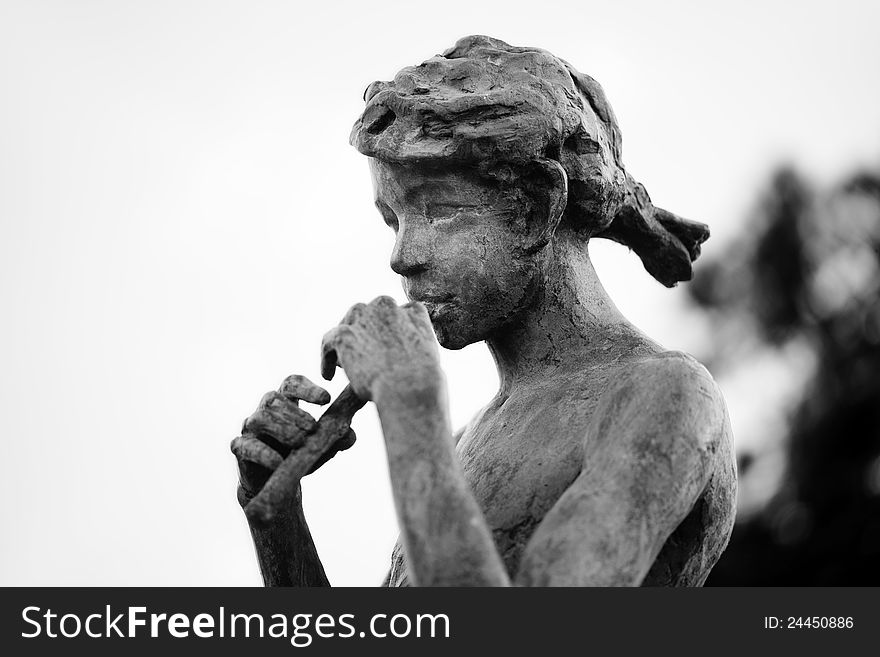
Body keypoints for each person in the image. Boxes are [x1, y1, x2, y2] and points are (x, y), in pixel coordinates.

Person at [231, 35, 736, 586]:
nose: (402, 257)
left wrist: (409, 401)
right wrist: (278, 519)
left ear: (537, 207)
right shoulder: (466, 444)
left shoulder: (664, 395)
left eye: (440, 213)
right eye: (394, 221)